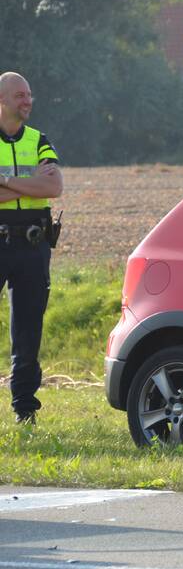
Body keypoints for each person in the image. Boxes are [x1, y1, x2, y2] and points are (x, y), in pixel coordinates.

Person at [0, 71, 63, 424]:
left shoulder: (40, 140)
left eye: (29, 95)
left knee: (28, 330)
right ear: (2, 100)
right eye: (20, 96)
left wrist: (8, 182)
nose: (28, 101)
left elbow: (54, 188)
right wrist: (31, 185)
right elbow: (42, 185)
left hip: (33, 245)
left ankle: (24, 408)